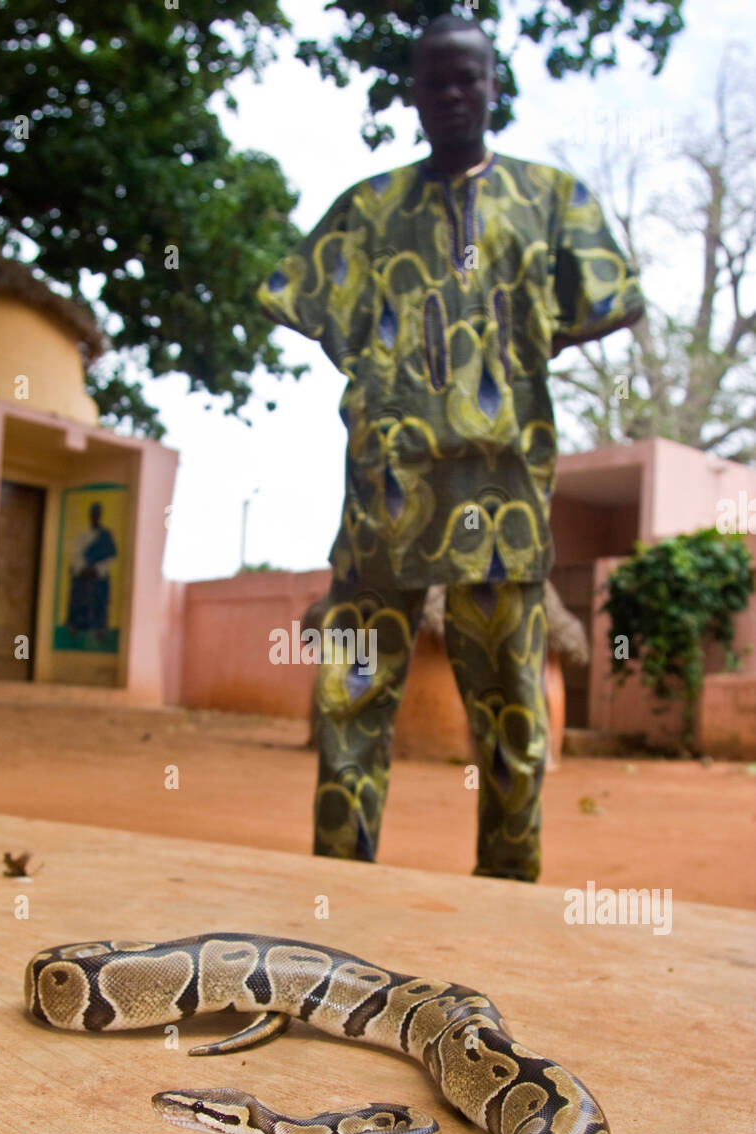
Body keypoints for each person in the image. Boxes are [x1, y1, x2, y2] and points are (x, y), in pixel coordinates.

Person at [257, 13, 645, 881]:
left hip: (502, 480)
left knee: (511, 701)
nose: (453, 93)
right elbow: (312, 302)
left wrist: (513, 355)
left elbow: (612, 298)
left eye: (469, 76)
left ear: (494, 85)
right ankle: (337, 882)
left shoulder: (551, 200)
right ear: (414, 92)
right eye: (435, 79)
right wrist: (384, 375)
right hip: (385, 483)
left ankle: (508, 892)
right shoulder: (368, 209)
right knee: (353, 692)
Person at [66, 501, 117, 642]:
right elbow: (76, 554)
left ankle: (99, 629)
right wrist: (82, 568)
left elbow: (110, 556)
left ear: (100, 516)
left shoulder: (106, 535)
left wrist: (96, 569)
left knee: (99, 598)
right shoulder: (84, 534)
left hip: (98, 576)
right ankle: (76, 627)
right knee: (78, 595)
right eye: (93, 514)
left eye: (97, 514)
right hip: (82, 574)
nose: (95, 517)